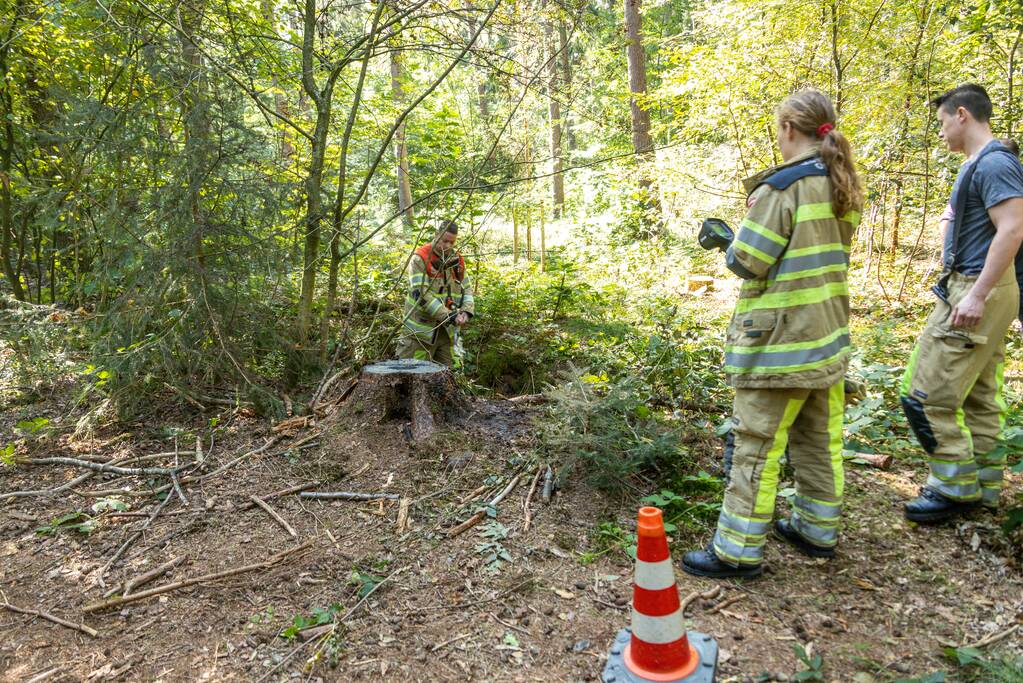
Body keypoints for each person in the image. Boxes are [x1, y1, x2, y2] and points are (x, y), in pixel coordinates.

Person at [682, 89, 863, 579]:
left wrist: (729, 240)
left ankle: (737, 551)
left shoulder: (782, 188)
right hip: (826, 339)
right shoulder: (841, 181)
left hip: (779, 346)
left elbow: (749, 260)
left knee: (756, 448)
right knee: (818, 443)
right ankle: (816, 530)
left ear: (788, 130)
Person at [900, 84, 1023, 522]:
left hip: (976, 289)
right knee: (981, 396)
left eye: (942, 122)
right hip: (983, 288)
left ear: (963, 115)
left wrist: (977, 294)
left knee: (923, 396)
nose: (941, 132)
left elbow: (1012, 230)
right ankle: (987, 489)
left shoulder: (994, 165)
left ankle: (955, 487)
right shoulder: (981, 164)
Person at [396, 221, 475, 368]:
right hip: (419, 334)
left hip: (447, 333)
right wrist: (448, 315)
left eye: (452, 242)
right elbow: (421, 295)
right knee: (407, 373)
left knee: (448, 378)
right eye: (444, 241)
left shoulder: (457, 260)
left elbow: (467, 288)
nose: (448, 246)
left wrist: (466, 310)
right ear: (436, 235)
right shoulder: (420, 258)